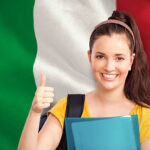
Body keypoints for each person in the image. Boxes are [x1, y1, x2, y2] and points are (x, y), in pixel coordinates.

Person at [18, 10, 150, 150]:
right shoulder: (67, 108)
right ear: (90, 57)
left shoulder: (144, 115)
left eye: (119, 58)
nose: (109, 67)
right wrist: (35, 112)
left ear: (131, 61)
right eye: (100, 56)